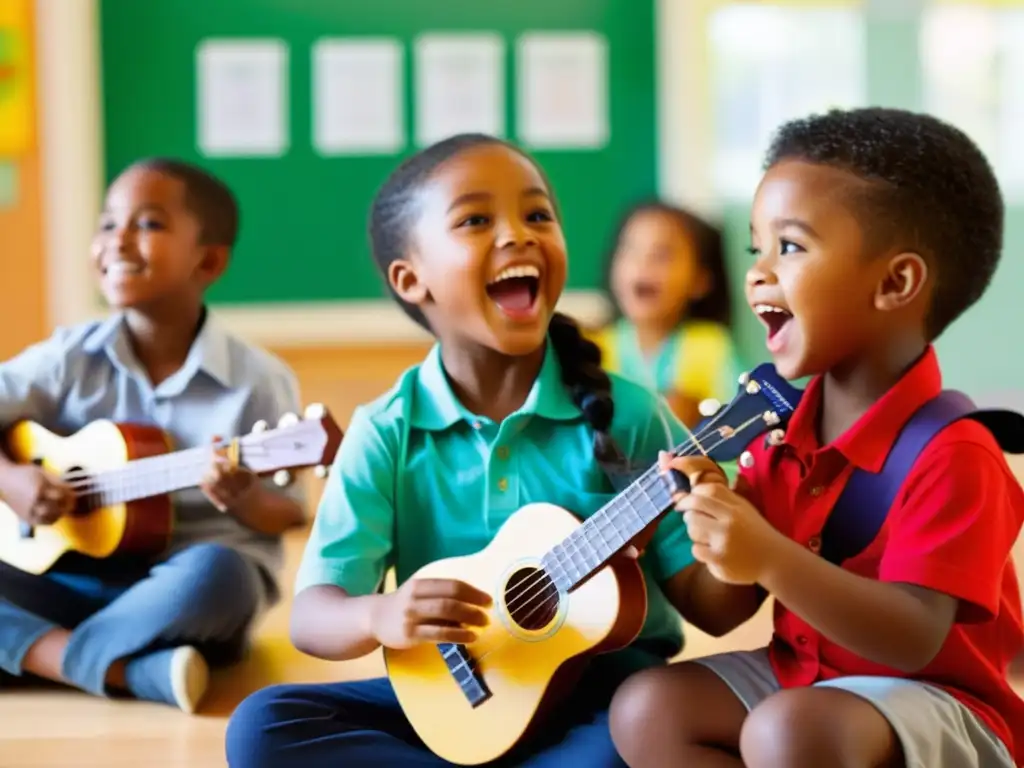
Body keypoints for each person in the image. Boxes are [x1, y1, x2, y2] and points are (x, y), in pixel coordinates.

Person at [225, 134, 762, 767]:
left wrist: (742, 533)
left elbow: (717, 611)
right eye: (476, 220)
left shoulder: (631, 414)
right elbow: (313, 616)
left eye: (538, 215)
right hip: (458, 697)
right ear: (410, 278)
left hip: (600, 701)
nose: (519, 235)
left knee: (642, 729)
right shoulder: (387, 432)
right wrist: (382, 614)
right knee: (264, 726)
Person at [608, 107, 1024, 768]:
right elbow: (722, 611)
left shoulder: (956, 454)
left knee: (788, 731)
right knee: (647, 707)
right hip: (808, 686)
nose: (757, 272)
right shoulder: (781, 438)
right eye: (756, 248)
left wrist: (769, 555)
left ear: (896, 283)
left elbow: (912, 638)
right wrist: (693, 529)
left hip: (940, 707)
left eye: (790, 246)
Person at [0, 158, 306, 713]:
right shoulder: (68, 357)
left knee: (222, 574)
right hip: (65, 577)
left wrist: (245, 497)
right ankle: (131, 672)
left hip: (180, 590)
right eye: (108, 223)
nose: (118, 241)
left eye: (148, 224)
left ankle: (42, 654)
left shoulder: (259, 380)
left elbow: (288, 514)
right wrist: (12, 478)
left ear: (208, 260)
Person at [590, 202, 743, 428]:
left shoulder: (713, 347)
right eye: (629, 250)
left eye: (662, 255)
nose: (643, 264)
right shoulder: (592, 349)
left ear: (700, 280)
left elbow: (741, 421)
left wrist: (701, 412)